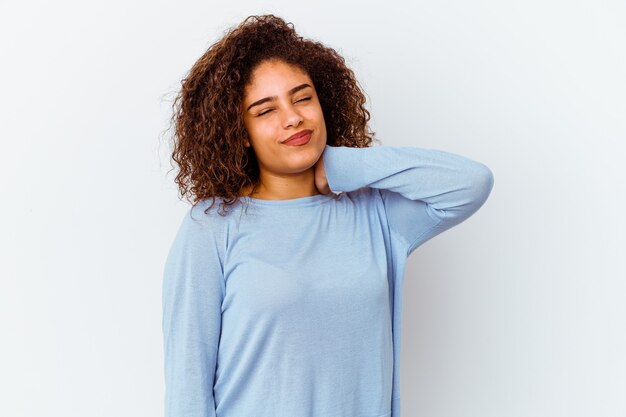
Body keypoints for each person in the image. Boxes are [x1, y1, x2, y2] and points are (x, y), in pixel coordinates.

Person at [162, 14, 494, 417]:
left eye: (302, 97)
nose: (292, 117)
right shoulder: (212, 227)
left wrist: (343, 166)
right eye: (265, 110)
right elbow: (188, 387)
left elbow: (471, 183)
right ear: (239, 133)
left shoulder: (376, 213)